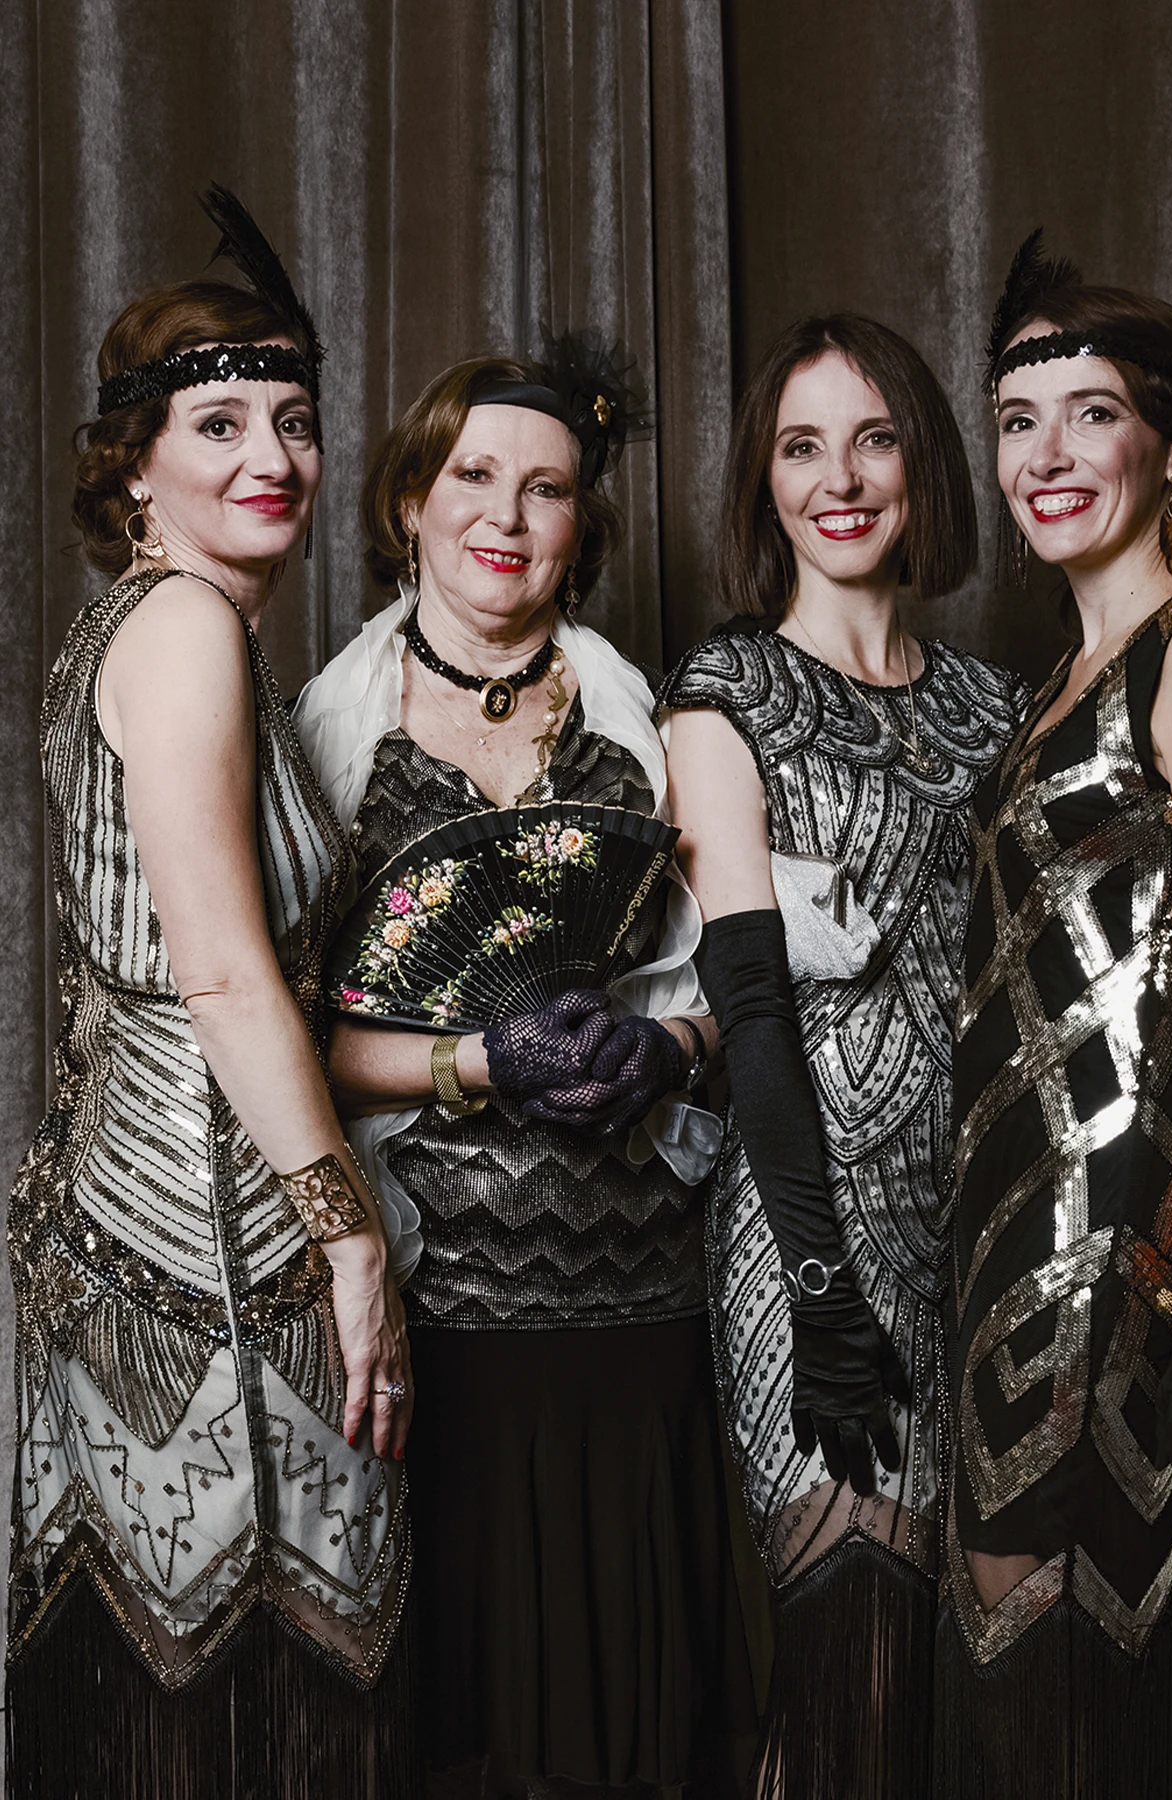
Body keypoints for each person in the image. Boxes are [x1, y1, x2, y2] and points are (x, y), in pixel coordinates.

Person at [293, 337, 755, 1798]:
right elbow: (284, 1040)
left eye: (546, 488)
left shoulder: (648, 718)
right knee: (462, 1734)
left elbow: (747, 991)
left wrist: (664, 1044)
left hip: (642, 1300)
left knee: (631, 1732)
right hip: (440, 1315)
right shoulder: (329, 735)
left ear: (580, 528)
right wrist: (476, 1059)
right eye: (474, 474)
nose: (507, 513)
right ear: (413, 500)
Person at [6, 191, 414, 1800]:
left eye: (298, 422)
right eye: (222, 420)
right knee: (238, 1702)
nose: (276, 456)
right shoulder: (179, 627)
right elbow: (226, 971)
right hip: (212, 1258)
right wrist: (348, 1230)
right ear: (134, 466)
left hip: (140, 1226)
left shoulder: (151, 631)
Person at [936, 234, 1172, 1800]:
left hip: (1127, 1256)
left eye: (1090, 414)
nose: (1047, 455)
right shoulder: (1060, 681)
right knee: (1022, 1684)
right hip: (1003, 1249)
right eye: (1018, 421)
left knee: (1095, 1684)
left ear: (1170, 447)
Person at [658, 313, 1027, 1798]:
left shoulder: (995, 709)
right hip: (803, 1225)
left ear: (923, 459)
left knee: (934, 1680)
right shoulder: (722, 695)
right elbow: (749, 1013)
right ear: (763, 483)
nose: (841, 478)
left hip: (969, 1229)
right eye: (802, 447)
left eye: (873, 438)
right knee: (846, 1662)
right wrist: (817, 1290)